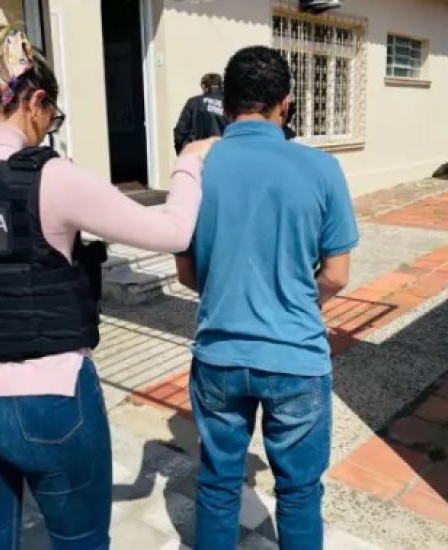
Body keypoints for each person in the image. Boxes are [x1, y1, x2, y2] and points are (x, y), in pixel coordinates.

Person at [0, 25, 213, 550]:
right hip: (47, 402)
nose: (49, 129)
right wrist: (188, 162)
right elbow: (173, 231)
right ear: (34, 103)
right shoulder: (52, 178)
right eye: (53, 116)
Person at [175, 46, 359, 550]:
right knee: (299, 494)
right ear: (286, 103)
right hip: (296, 358)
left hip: (219, 356)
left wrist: (230, 290)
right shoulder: (322, 168)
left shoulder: (196, 167)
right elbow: (337, 276)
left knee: (217, 486)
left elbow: (187, 273)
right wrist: (295, 299)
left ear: (227, 103)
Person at [174, 73, 228, 154]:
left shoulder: (193, 102)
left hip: (198, 153)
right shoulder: (230, 104)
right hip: (223, 152)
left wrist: (182, 152)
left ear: (204, 86)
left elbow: (180, 131)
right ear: (221, 85)